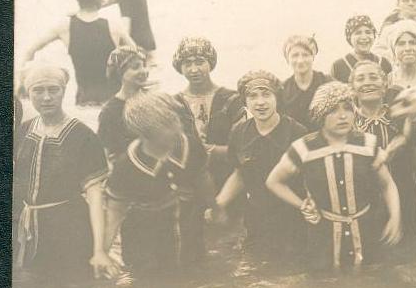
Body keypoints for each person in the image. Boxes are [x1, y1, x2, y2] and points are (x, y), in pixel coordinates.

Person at [266, 82, 402, 271]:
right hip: (323, 237)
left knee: (371, 285)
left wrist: (395, 217)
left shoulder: (367, 144)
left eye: (348, 108)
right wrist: (302, 204)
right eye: (333, 111)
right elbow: (274, 182)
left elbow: (387, 185)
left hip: (366, 231)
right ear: (320, 115)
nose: (343, 116)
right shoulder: (303, 148)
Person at [13, 64, 117, 280]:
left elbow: (95, 196)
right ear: (28, 93)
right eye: (38, 91)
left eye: (54, 89)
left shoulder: (84, 137)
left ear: (64, 91)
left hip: (69, 232)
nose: (46, 97)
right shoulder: (23, 131)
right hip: (28, 230)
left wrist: (99, 251)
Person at [103, 92, 215, 274]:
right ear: (147, 134)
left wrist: (216, 208)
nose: (177, 127)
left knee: (195, 284)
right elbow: (114, 213)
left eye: (175, 119)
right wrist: (102, 252)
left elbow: (203, 178)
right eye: (168, 125)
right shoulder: (126, 166)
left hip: (190, 241)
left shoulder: (190, 145)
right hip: (145, 249)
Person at [350, 59, 416, 240]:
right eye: (360, 79)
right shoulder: (347, 125)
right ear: (352, 89)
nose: (367, 82)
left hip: (406, 201)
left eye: (373, 77)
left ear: (385, 86)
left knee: (410, 257)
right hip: (364, 205)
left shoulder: (403, 120)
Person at [209, 70, 308, 255]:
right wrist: (218, 204)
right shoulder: (239, 132)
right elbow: (240, 174)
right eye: (252, 96)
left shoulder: (297, 132)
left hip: (293, 219)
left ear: (276, 97)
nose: (260, 102)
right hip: (256, 218)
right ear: (245, 102)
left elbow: (312, 178)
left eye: (266, 94)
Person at [21, 0, 135, 106]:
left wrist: (23, 83)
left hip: (85, 99)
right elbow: (134, 53)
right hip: (115, 97)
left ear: (78, 0)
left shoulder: (65, 26)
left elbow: (30, 51)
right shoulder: (113, 26)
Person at [172, 37, 245, 190]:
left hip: (227, 181)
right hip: (188, 185)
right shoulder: (174, 103)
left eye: (199, 62)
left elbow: (243, 147)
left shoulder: (231, 99)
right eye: (187, 64)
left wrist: (209, 150)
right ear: (180, 67)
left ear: (210, 63)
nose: (193, 69)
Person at [98, 46, 150, 163]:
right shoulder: (110, 112)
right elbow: (106, 154)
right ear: (119, 73)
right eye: (135, 67)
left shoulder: (153, 100)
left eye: (144, 66)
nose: (143, 71)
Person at [278, 34, 331, 131]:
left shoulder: (328, 83)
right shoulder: (282, 89)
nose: (300, 60)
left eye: (305, 55)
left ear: (313, 56)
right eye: (295, 55)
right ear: (287, 59)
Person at [330, 15, 392, 83]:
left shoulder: (383, 63)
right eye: (358, 33)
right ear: (349, 38)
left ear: (374, 36)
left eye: (368, 32)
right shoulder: (339, 66)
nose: (364, 37)